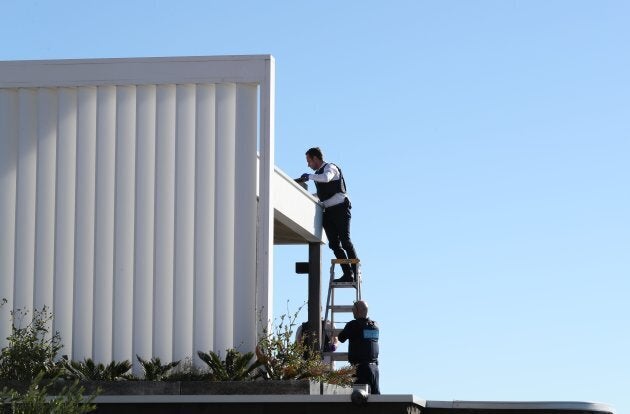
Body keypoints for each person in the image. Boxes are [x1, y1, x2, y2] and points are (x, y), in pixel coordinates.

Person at [299, 147, 358, 283]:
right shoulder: (318, 174)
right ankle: (348, 274)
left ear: (315, 158)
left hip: (340, 208)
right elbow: (321, 195)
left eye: (309, 161)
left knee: (345, 241)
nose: (308, 164)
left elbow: (326, 178)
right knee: (334, 244)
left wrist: (309, 176)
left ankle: (355, 271)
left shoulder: (330, 168)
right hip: (329, 211)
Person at [337, 300, 380, 394]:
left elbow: (341, 338)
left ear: (357, 311)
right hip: (374, 369)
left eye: (353, 310)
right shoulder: (375, 325)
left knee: (359, 397)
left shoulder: (353, 325)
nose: (352, 312)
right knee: (376, 398)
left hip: (361, 369)